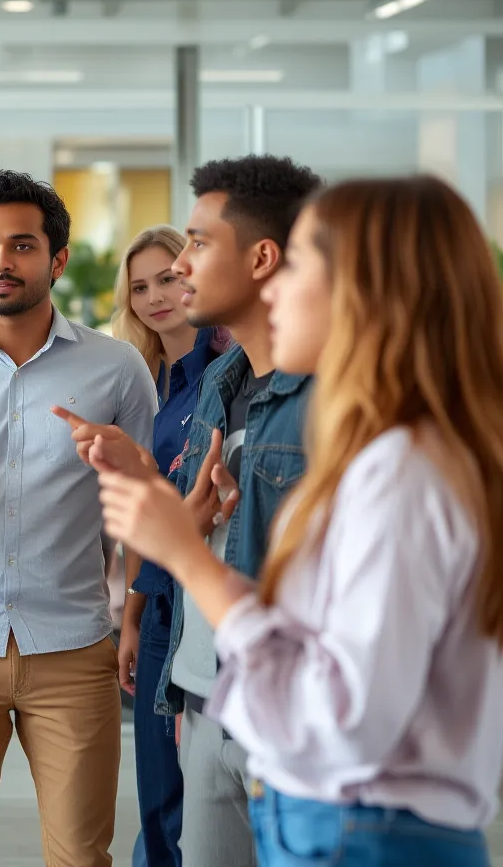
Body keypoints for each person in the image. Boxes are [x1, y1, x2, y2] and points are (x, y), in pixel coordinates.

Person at [99, 175, 503, 866]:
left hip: (362, 832)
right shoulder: (403, 453)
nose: (276, 289)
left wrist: (190, 557)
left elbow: (343, 721)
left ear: (368, 292)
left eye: (299, 266)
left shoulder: (402, 471)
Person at [60, 155, 321, 867]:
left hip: (291, 717)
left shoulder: (333, 405)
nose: (181, 267)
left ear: (263, 257)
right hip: (205, 695)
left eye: (197, 244)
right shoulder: (217, 388)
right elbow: (203, 529)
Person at [0, 169, 158, 867]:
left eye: (20, 245)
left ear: (57, 259)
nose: (0, 262)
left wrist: (131, 612)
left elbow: (145, 512)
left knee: (79, 855)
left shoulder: (118, 369)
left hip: (72, 646)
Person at [110, 226, 228, 867]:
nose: (157, 296)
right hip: (157, 613)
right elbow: (140, 518)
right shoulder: (149, 385)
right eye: (140, 287)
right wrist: (129, 617)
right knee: (158, 799)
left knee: (200, 806)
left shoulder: (230, 379)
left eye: (168, 278)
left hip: (208, 609)